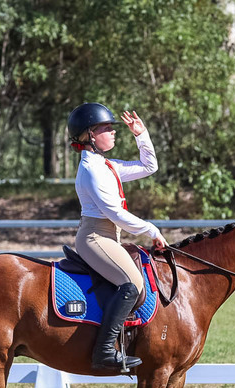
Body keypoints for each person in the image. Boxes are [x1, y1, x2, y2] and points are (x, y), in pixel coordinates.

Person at [67, 102, 168, 371]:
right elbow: (115, 213)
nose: (113, 132)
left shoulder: (106, 165)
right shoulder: (91, 169)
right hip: (95, 238)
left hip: (110, 237)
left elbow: (150, 166)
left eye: (113, 128)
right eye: (106, 128)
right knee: (132, 284)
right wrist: (152, 230)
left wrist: (141, 135)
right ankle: (104, 352)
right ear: (89, 134)